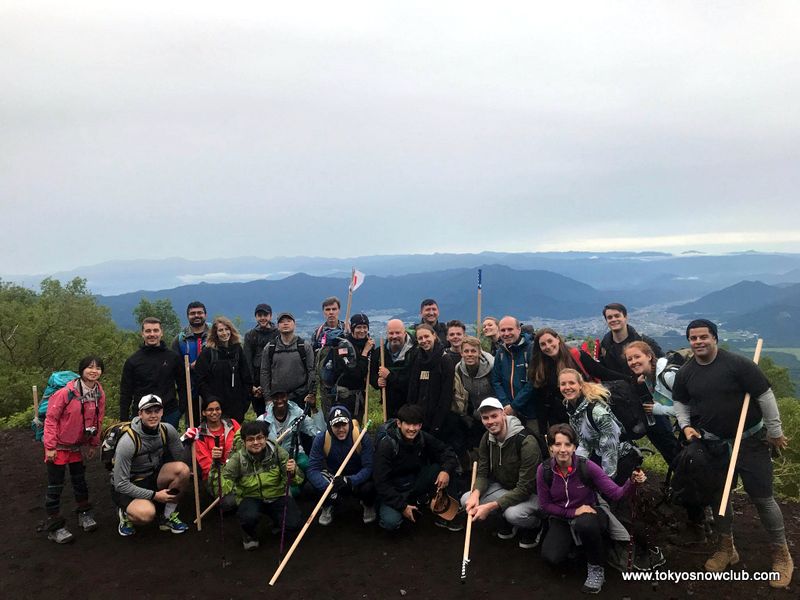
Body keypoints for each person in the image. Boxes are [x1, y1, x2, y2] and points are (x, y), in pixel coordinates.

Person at [671, 319, 793, 588]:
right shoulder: (686, 372)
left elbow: (765, 395)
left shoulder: (737, 365)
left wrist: (775, 431)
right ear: (689, 341)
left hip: (751, 442)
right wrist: (686, 426)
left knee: (763, 498)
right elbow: (679, 401)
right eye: (693, 338)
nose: (699, 341)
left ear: (715, 338)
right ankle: (727, 549)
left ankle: (781, 554)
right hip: (714, 445)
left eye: (704, 336)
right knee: (720, 498)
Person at [537, 423, 646, 594]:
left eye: (568, 444)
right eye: (557, 444)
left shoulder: (586, 466)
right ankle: (579, 546)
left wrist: (631, 483)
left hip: (592, 513)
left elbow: (616, 493)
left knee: (585, 524)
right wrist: (572, 512)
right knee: (552, 557)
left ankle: (596, 567)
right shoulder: (544, 471)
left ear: (574, 446)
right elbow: (545, 505)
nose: (563, 449)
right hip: (562, 517)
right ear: (550, 447)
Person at [625, 340, 707, 546]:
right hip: (688, 427)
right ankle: (702, 515)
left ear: (649, 356)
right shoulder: (649, 378)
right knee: (690, 470)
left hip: (698, 428)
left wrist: (658, 410)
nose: (633, 362)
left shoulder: (668, 375)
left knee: (689, 471)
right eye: (630, 359)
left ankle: (698, 527)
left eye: (637, 357)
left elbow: (692, 406)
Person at [599, 303, 678, 466]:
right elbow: (606, 373)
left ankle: (683, 477)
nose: (614, 320)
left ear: (625, 317)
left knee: (666, 442)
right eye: (610, 317)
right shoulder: (606, 344)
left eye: (617, 316)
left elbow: (662, 364)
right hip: (624, 405)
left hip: (650, 401)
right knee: (625, 445)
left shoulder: (642, 340)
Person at [461, 398, 542, 549]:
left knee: (513, 514)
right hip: (505, 488)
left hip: (532, 494)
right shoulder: (487, 438)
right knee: (466, 499)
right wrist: (475, 493)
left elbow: (525, 488)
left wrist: (491, 506)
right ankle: (505, 515)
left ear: (503, 414)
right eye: (485, 418)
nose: (490, 421)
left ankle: (536, 525)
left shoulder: (526, 442)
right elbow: (483, 472)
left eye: (494, 416)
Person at [42, 356, 107, 543]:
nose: (94, 371)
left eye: (97, 368)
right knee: (56, 485)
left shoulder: (99, 393)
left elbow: (98, 418)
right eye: (89, 367)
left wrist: (94, 443)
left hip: (77, 446)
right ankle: (55, 527)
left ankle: (85, 514)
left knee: (80, 482)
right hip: (59, 446)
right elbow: (51, 419)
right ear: (81, 370)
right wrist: (50, 447)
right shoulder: (66, 392)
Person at [213, 420, 302, 550]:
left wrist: (293, 472)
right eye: (250, 439)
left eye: (259, 438)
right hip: (250, 497)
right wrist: (216, 466)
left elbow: (295, 481)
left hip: (276, 495)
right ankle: (249, 533)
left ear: (266, 438)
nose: (256, 442)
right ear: (244, 442)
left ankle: (276, 522)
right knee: (248, 516)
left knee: (294, 523)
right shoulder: (237, 458)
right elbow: (221, 487)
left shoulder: (278, 452)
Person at [373, 404, 459, 531]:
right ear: (399, 423)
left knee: (445, 470)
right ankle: (388, 508)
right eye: (408, 424)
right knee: (391, 523)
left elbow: (447, 452)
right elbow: (381, 483)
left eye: (416, 424)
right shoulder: (387, 445)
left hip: (414, 482)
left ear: (420, 425)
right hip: (394, 489)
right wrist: (402, 507)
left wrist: (445, 471)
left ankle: (444, 514)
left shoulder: (422, 437)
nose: (412, 429)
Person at [113, 395, 190, 537]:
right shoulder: (128, 442)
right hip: (129, 484)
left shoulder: (167, 430)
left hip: (153, 475)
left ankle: (167, 516)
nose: (153, 416)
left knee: (183, 470)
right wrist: (154, 495)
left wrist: (189, 442)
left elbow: (181, 459)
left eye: (157, 411)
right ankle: (125, 513)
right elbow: (120, 483)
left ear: (162, 412)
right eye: (148, 412)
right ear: (140, 414)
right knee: (146, 515)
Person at [529, 328, 627, 435]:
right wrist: (544, 432)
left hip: (588, 414)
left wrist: (631, 379)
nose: (548, 346)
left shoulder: (576, 356)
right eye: (543, 344)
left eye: (550, 341)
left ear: (557, 339)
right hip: (561, 421)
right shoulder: (540, 368)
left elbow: (603, 373)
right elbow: (541, 401)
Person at [559, 368, 641, 484]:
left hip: (620, 458)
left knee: (613, 498)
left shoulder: (597, 412)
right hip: (599, 455)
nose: (567, 387)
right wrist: (575, 470)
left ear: (580, 385)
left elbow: (610, 448)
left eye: (572, 383)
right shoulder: (573, 410)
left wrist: (606, 482)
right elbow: (584, 442)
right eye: (563, 384)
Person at [307, 406, 376, 526]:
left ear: (349, 423)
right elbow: (312, 469)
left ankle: (368, 504)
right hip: (334, 478)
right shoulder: (321, 439)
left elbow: (368, 468)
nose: (341, 429)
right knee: (311, 486)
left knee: (369, 486)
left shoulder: (361, 437)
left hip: (356, 477)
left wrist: (350, 481)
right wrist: (328, 487)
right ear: (330, 426)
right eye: (336, 426)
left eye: (344, 424)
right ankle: (327, 505)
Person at [120, 317, 187, 428]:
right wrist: (123, 420)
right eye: (148, 331)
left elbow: (183, 385)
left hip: (169, 414)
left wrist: (180, 411)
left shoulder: (173, 358)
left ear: (161, 333)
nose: (152, 334)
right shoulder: (133, 361)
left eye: (155, 330)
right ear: (142, 334)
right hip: (141, 415)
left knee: (168, 445)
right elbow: (126, 392)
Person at [182, 396, 240, 512]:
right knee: (229, 504)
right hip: (215, 475)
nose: (214, 412)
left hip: (238, 470)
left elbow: (243, 444)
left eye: (217, 409)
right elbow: (207, 466)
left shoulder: (232, 424)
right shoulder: (199, 435)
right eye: (210, 410)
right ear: (204, 412)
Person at [257, 389, 320, 494]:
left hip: (293, 456)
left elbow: (317, 431)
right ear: (272, 400)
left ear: (287, 397)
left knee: (306, 463)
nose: (280, 400)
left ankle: (301, 483)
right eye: (276, 398)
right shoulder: (262, 420)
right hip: (272, 461)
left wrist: (314, 408)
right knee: (292, 492)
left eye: (283, 396)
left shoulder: (298, 414)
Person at [194, 316, 255, 423]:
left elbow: (246, 378)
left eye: (227, 329)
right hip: (215, 408)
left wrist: (244, 403)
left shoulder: (237, 351)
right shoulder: (208, 352)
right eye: (221, 330)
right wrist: (210, 401)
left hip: (236, 408)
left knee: (234, 438)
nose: (224, 333)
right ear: (215, 333)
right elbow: (200, 380)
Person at [406, 323, 456, 441]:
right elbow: (413, 388)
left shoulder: (445, 360)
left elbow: (446, 395)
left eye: (426, 336)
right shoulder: (418, 358)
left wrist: (437, 424)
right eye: (420, 338)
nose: (424, 340)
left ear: (434, 335)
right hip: (420, 417)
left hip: (439, 419)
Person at [261, 312, 316, 409]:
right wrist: (267, 398)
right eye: (282, 322)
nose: (285, 323)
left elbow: (311, 370)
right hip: (277, 397)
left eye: (288, 321)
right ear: (278, 326)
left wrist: (311, 393)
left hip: (301, 396)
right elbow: (264, 373)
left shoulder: (304, 346)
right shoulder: (270, 348)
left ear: (294, 324)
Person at [452, 336, 495, 453]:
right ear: (461, 353)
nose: (469, 354)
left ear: (479, 352)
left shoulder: (491, 367)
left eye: (473, 351)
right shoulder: (459, 369)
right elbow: (460, 393)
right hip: (474, 413)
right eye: (466, 351)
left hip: (493, 412)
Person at [491, 316, 535, 428]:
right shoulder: (500, 353)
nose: (506, 333)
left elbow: (533, 382)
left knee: (533, 442)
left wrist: (514, 406)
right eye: (503, 330)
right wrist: (506, 404)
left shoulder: (530, 349)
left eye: (510, 329)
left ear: (519, 330)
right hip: (508, 411)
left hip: (531, 412)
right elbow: (496, 381)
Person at [370, 318, 417, 419]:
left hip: (410, 406)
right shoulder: (380, 353)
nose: (394, 336)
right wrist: (376, 382)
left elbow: (412, 381)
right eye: (391, 333)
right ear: (387, 334)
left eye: (398, 333)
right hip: (389, 407)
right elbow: (371, 375)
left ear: (404, 333)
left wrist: (390, 376)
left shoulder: (415, 353)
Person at [333, 313, 375, 424]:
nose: (362, 330)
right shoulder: (344, 346)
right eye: (358, 327)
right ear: (352, 328)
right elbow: (355, 373)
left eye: (365, 327)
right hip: (345, 398)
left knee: (357, 429)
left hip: (360, 396)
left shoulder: (368, 344)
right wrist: (365, 352)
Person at [172, 301, 210, 423]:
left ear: (205, 314)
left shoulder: (215, 335)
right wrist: (189, 366)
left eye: (200, 312)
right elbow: (175, 367)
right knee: (193, 427)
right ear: (188, 316)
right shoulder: (180, 339)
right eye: (192, 313)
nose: (196, 315)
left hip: (213, 390)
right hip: (190, 390)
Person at [243, 303, 278, 417]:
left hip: (275, 380)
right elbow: (247, 361)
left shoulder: (278, 334)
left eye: (265, 315)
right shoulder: (250, 335)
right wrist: (252, 386)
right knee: (261, 415)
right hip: (257, 383)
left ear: (270, 316)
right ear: (256, 317)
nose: (262, 318)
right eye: (259, 315)